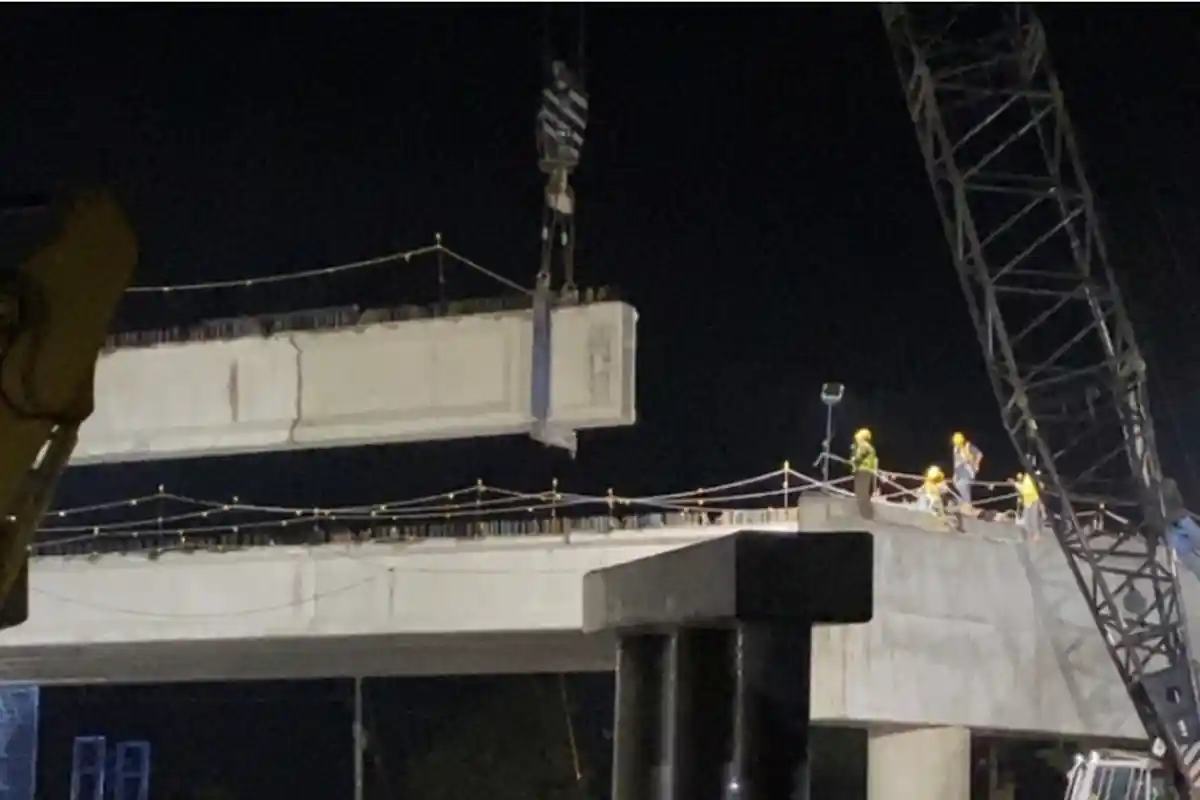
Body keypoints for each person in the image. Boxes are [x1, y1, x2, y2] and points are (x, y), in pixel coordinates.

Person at [850, 428, 878, 520]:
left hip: (862, 470)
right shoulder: (870, 447)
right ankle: (867, 515)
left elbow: (857, 458)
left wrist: (853, 456)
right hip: (868, 471)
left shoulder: (863, 446)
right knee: (864, 493)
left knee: (861, 493)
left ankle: (866, 515)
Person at [951, 432, 983, 505]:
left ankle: (967, 503)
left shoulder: (969, 446)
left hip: (969, 470)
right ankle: (964, 501)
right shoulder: (955, 449)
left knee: (962, 484)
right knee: (956, 483)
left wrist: (976, 464)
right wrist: (955, 474)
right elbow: (956, 463)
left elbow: (980, 454)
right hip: (960, 469)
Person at [1013, 472, 1042, 541]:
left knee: (1033, 518)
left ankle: (1035, 535)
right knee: (1029, 518)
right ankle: (1032, 534)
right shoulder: (1028, 477)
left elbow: (1024, 491)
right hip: (1030, 500)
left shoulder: (1028, 478)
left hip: (1032, 500)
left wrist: (1015, 484)